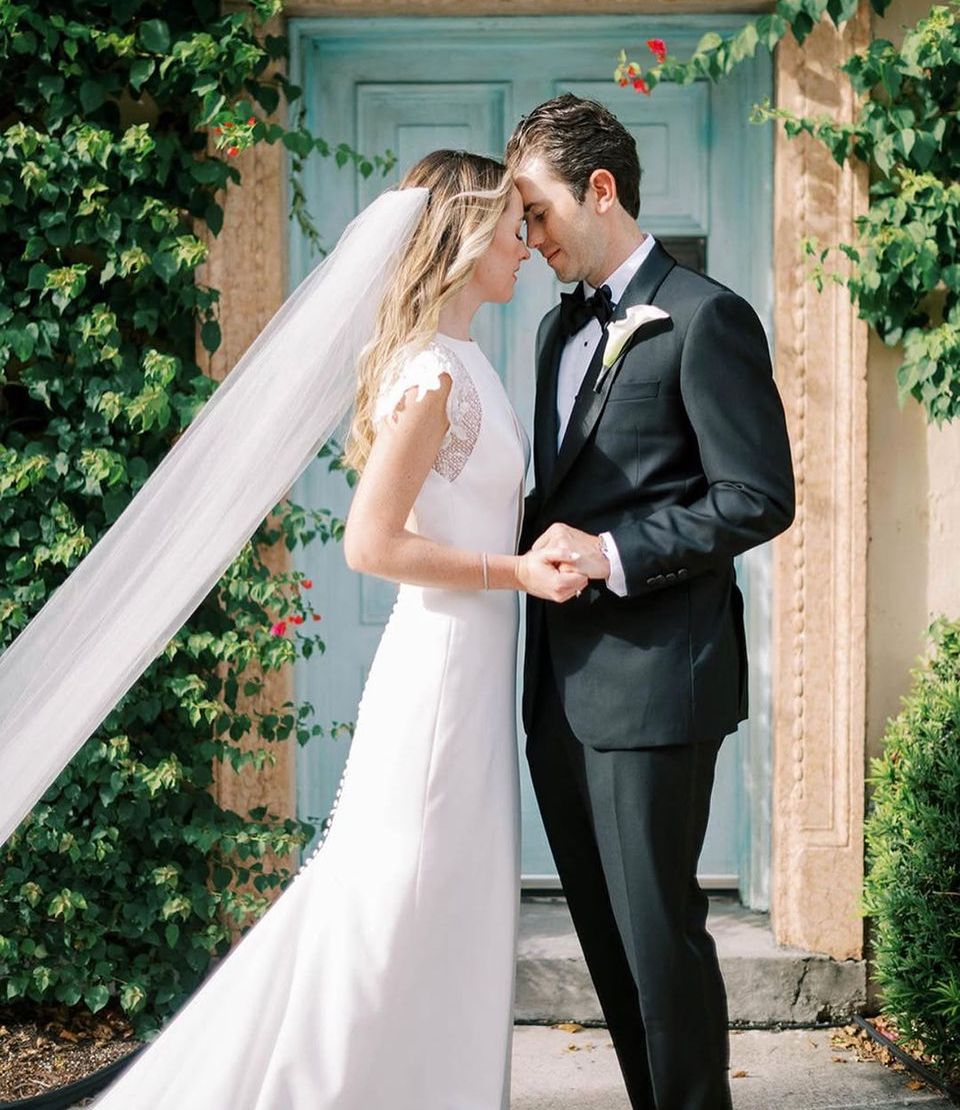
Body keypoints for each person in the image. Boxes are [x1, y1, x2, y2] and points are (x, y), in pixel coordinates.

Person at [0, 150, 586, 1108]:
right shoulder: (433, 374)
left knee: (449, 907)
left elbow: (473, 510)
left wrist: (540, 544)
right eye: (515, 225)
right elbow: (370, 542)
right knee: (390, 901)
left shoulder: (472, 359)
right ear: (468, 234)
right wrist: (512, 571)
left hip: (475, 674)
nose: (529, 245)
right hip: (438, 677)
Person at [507, 94, 796, 1110]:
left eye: (537, 212)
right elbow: (559, 498)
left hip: (659, 682)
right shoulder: (552, 332)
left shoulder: (708, 317)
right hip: (560, 691)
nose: (525, 237)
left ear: (600, 189)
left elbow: (757, 497)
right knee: (606, 939)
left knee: (660, 939)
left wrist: (615, 552)